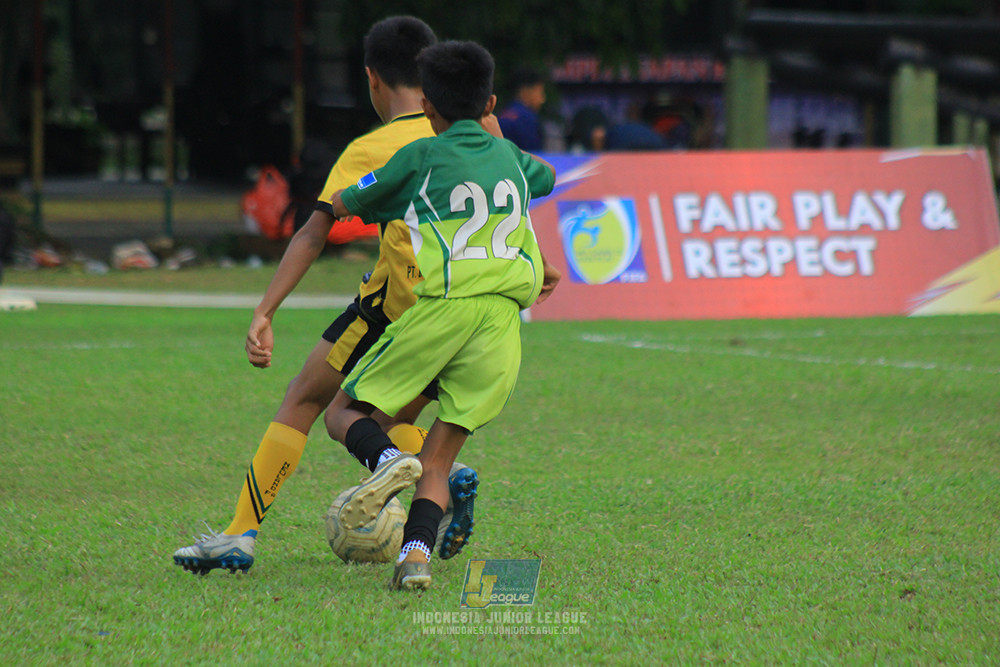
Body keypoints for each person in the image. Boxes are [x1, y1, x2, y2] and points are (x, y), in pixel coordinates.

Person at [173, 16, 478, 575]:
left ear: (372, 80)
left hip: (389, 307)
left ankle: (240, 534)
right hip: (461, 313)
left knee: (306, 400)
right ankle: (441, 475)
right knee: (391, 413)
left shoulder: (374, 147)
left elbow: (314, 231)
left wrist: (265, 311)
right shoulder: (476, 134)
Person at [323, 40, 561, 590]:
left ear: (427, 105)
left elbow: (348, 203)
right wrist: (499, 140)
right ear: (491, 102)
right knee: (438, 455)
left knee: (342, 414)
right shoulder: (514, 159)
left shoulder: (420, 157)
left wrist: (342, 199)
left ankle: (385, 462)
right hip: (503, 328)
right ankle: (415, 561)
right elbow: (543, 178)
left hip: (444, 312)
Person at [497, 67, 546, 151]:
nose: (542, 100)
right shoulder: (527, 118)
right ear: (525, 92)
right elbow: (533, 155)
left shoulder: (501, 115)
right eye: (540, 92)